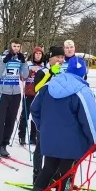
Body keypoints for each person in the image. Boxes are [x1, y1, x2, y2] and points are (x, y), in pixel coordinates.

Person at [29, 53, 96, 191]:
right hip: (72, 143)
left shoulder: (48, 86)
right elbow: (90, 120)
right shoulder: (82, 91)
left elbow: (34, 108)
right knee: (67, 174)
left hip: (49, 139)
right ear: (84, 73)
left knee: (47, 168)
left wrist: (43, 127)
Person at [31, 46, 67, 182]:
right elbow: (37, 88)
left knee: (55, 146)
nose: (60, 60)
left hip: (58, 114)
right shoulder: (43, 71)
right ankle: (37, 175)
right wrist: (50, 73)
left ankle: (52, 175)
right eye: (58, 57)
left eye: (62, 57)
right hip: (44, 113)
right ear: (51, 58)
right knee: (41, 145)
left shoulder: (63, 73)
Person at [0, 40, 28, 158]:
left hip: (15, 92)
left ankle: (4, 145)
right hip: (2, 92)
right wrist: (4, 62)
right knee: (0, 120)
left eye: (18, 46)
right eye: (14, 46)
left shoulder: (20, 58)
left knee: (11, 120)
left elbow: (25, 76)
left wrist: (24, 62)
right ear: (10, 46)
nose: (16, 48)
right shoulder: (2, 57)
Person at [19, 46, 45, 146]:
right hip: (28, 93)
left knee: (36, 116)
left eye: (40, 54)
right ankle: (22, 136)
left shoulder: (44, 65)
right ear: (33, 54)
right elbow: (22, 78)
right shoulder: (28, 64)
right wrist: (30, 71)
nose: (38, 56)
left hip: (38, 94)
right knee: (25, 115)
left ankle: (33, 137)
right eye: (36, 53)